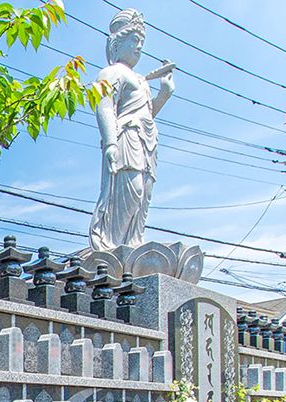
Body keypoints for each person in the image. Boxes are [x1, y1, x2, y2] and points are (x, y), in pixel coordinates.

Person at [89, 9, 175, 251]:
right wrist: (110, 143)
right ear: (118, 43)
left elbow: (146, 112)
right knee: (130, 191)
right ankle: (113, 247)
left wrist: (164, 94)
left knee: (143, 197)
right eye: (134, 41)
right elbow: (104, 106)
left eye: (142, 42)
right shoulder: (113, 72)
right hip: (126, 137)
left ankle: (133, 243)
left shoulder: (140, 79)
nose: (139, 47)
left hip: (146, 140)